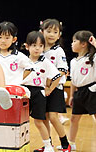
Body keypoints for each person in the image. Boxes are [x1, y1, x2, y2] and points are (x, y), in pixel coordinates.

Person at [67, 30, 96, 152]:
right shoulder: (73, 61)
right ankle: (71, 143)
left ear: (83, 44)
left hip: (92, 91)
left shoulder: (93, 58)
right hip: (78, 93)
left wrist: (95, 43)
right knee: (74, 119)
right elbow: (73, 81)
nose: (72, 44)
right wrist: (71, 96)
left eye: (74, 41)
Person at [34, 19, 71, 152]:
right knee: (43, 118)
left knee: (53, 117)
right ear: (41, 32)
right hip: (42, 89)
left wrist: (50, 87)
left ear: (59, 35)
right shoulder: (39, 50)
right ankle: (48, 145)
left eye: (55, 32)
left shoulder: (58, 51)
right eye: (48, 31)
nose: (51, 34)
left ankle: (66, 144)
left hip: (55, 89)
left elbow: (61, 71)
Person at [21, 31, 61, 152]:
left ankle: (48, 146)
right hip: (24, 92)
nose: (37, 48)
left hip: (38, 92)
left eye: (40, 46)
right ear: (27, 46)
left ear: (44, 47)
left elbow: (57, 76)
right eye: (34, 45)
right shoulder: (23, 60)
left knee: (39, 121)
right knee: (21, 121)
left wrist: (49, 88)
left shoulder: (45, 62)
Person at [0, 21, 32, 97]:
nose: (3, 41)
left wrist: (17, 78)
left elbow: (29, 68)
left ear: (14, 39)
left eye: (7, 38)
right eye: (0, 37)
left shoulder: (19, 56)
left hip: (14, 90)